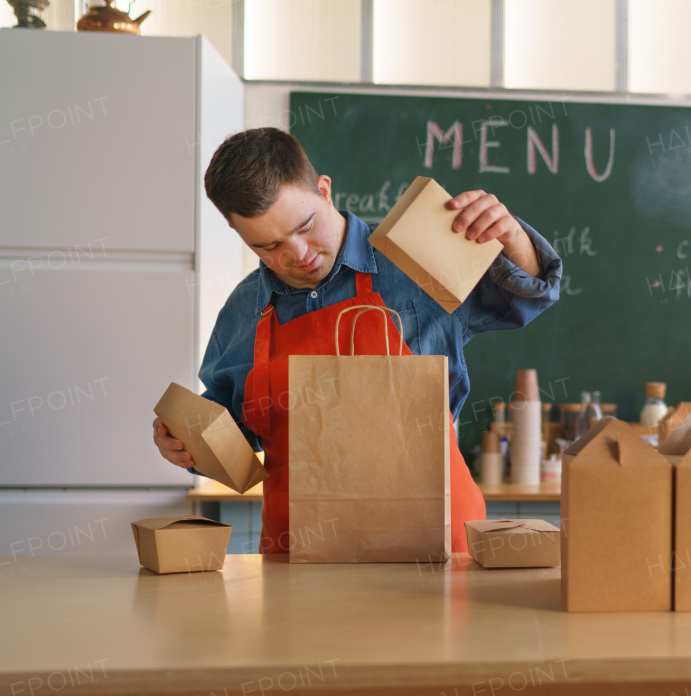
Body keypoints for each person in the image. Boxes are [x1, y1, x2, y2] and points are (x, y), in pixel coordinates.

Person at [150, 128, 561, 555]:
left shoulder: (414, 255)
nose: (298, 254)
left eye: (305, 226)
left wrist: (511, 237)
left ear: (324, 190)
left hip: (433, 547)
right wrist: (186, 442)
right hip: (302, 552)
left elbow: (528, 296)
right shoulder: (242, 310)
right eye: (268, 246)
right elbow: (231, 431)